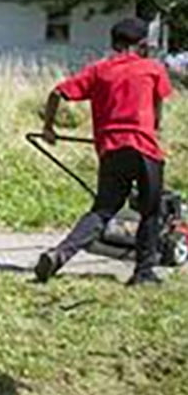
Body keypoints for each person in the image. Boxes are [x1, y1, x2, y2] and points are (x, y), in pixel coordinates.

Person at [34, 17, 174, 286]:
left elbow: (57, 93)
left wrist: (48, 127)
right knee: (151, 211)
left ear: (114, 43)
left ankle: (59, 254)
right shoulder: (152, 69)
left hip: (110, 150)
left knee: (103, 209)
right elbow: (157, 117)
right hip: (144, 148)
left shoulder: (98, 71)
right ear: (143, 43)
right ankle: (143, 273)